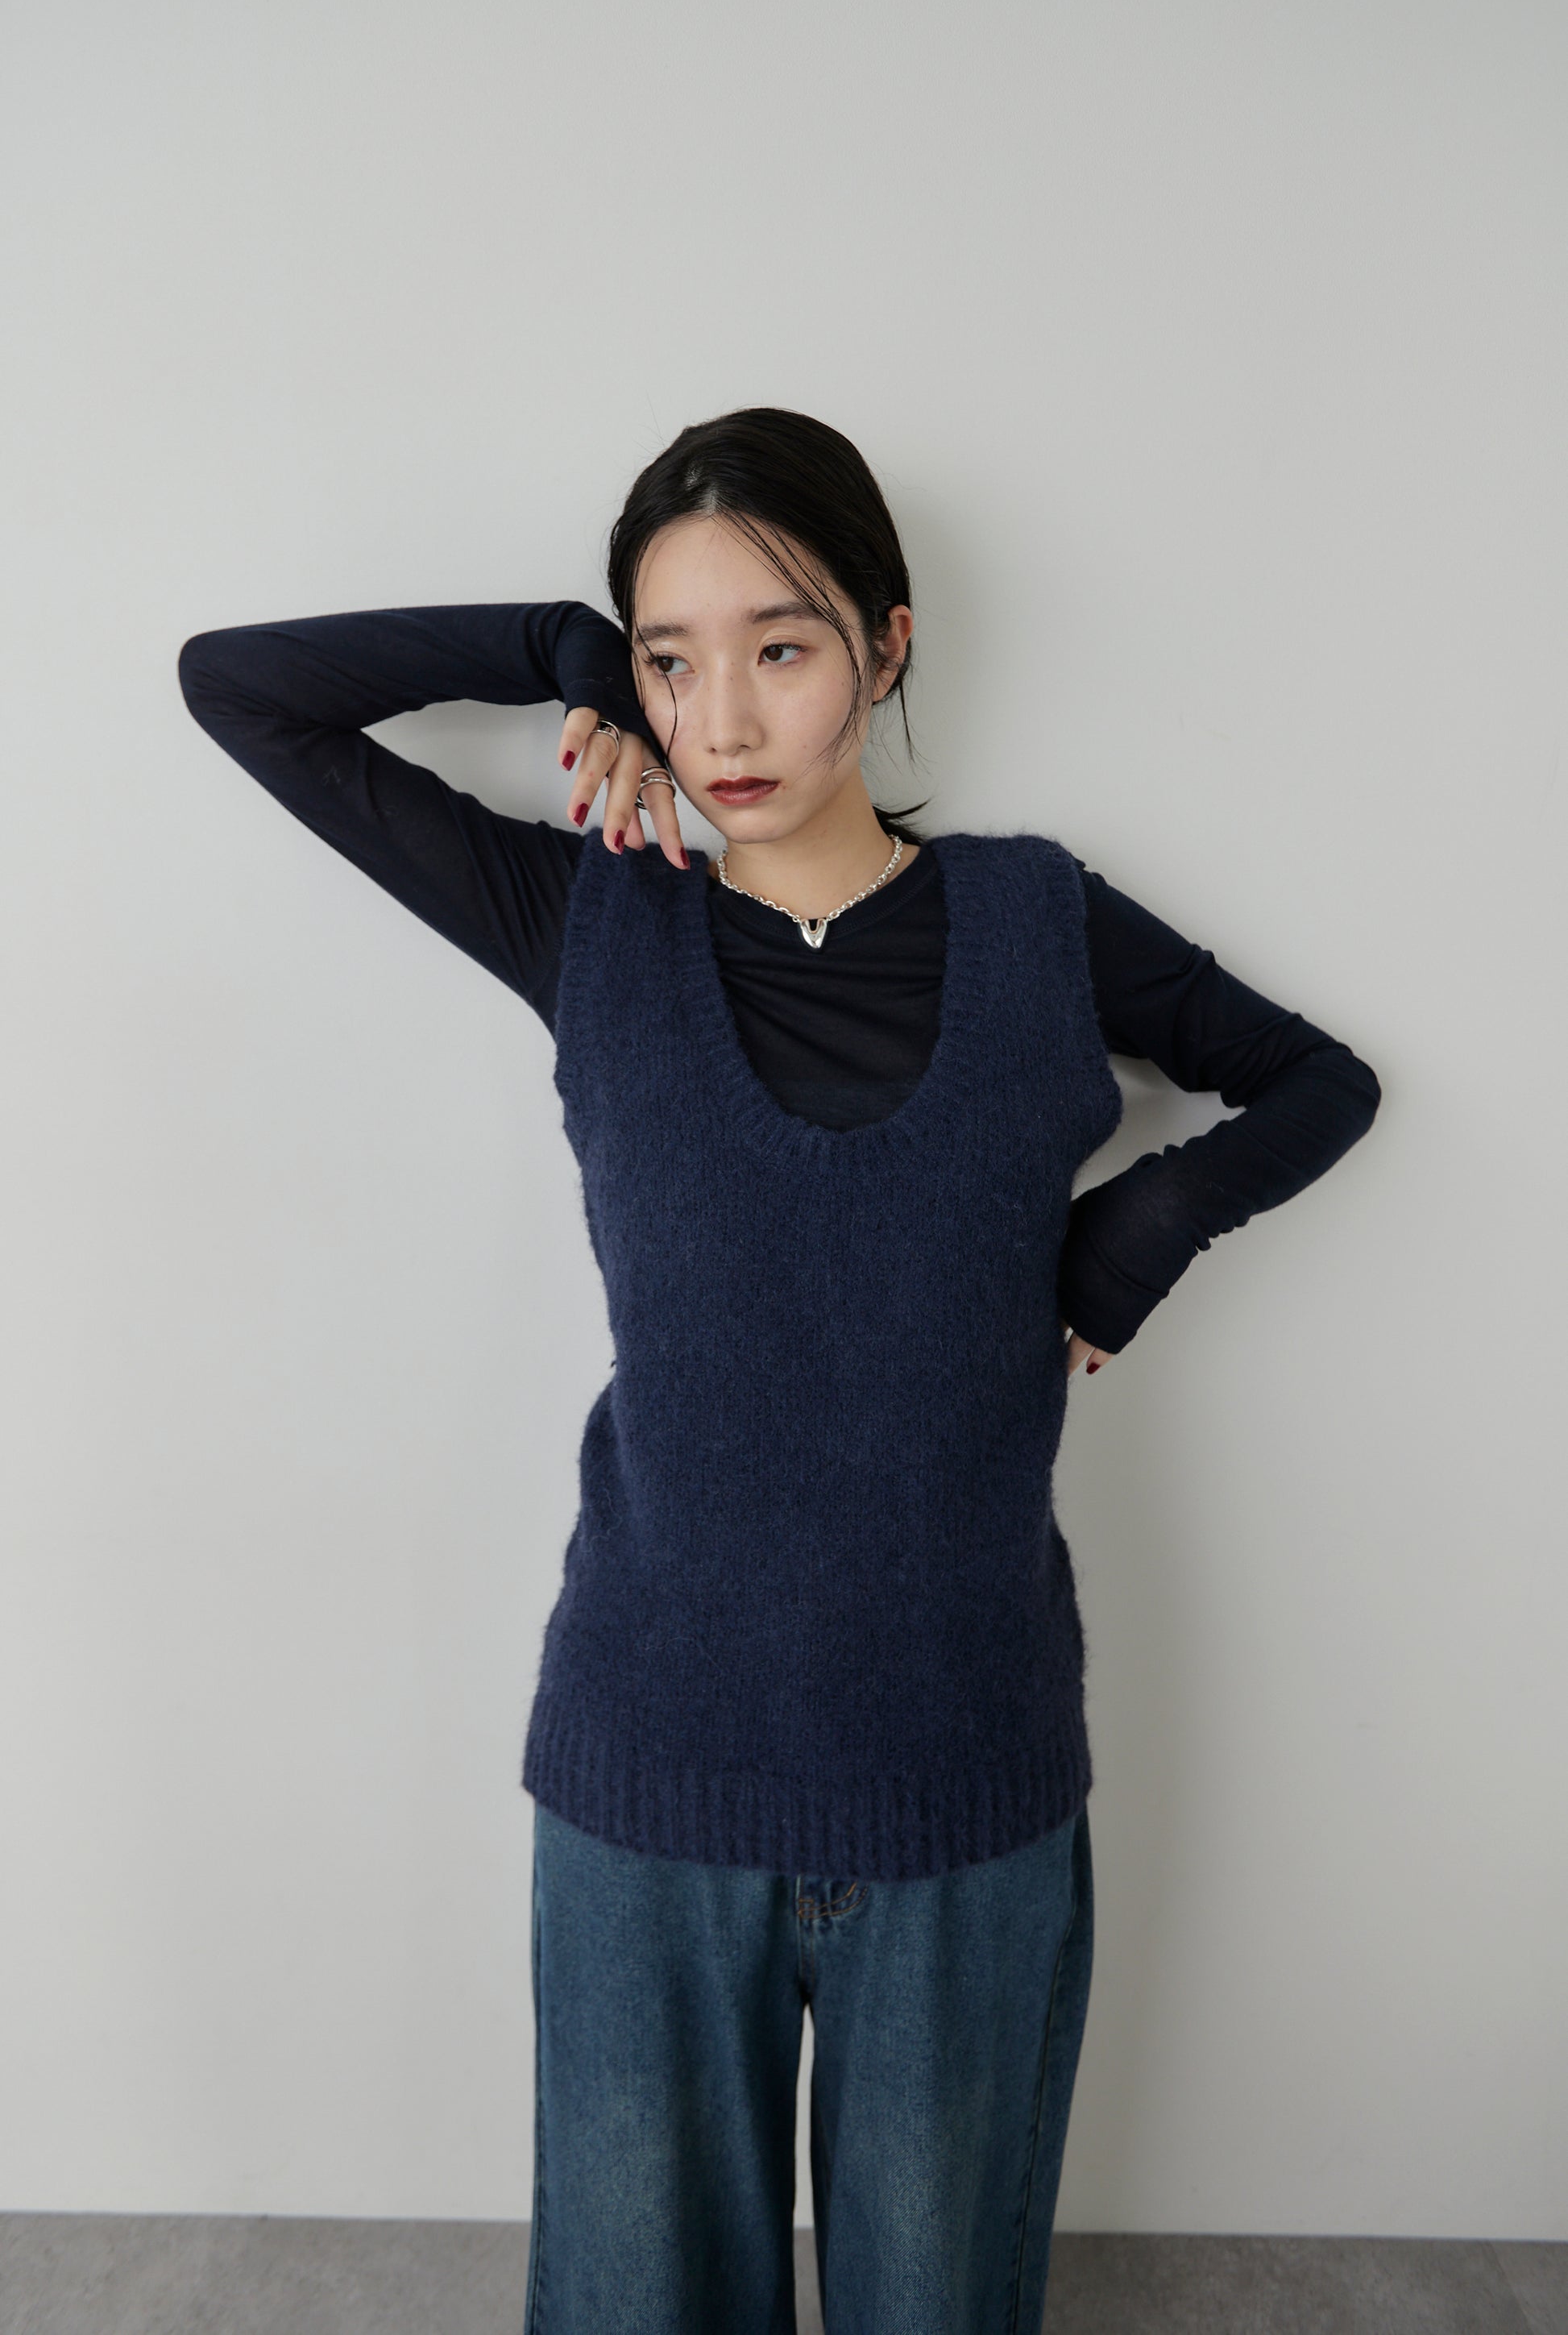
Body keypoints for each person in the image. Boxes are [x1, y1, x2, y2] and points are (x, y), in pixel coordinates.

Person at [177, 405, 1380, 2335]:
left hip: (963, 1781)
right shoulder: (589, 918)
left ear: (887, 647)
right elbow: (237, 688)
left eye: (781, 646)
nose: (721, 717)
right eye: (673, 659)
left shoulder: (1036, 921)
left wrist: (1136, 1233)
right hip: (646, 1784)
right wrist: (553, 650)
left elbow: (1320, 1083)